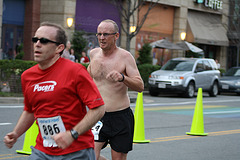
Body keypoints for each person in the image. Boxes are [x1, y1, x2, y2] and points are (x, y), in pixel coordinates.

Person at [4, 22, 105, 160]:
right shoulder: (27, 76)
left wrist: (72, 134)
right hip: (42, 150)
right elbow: (30, 111)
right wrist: (16, 133)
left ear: (59, 48)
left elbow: (98, 109)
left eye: (44, 41)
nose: (37, 44)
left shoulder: (75, 71)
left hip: (76, 151)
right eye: (35, 40)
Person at [87, 19, 144, 160]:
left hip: (120, 116)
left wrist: (122, 78)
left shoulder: (125, 57)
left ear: (116, 36)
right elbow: (88, 81)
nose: (101, 38)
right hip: (98, 116)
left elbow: (140, 86)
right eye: (99, 34)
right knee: (89, 156)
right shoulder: (93, 54)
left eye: (106, 34)